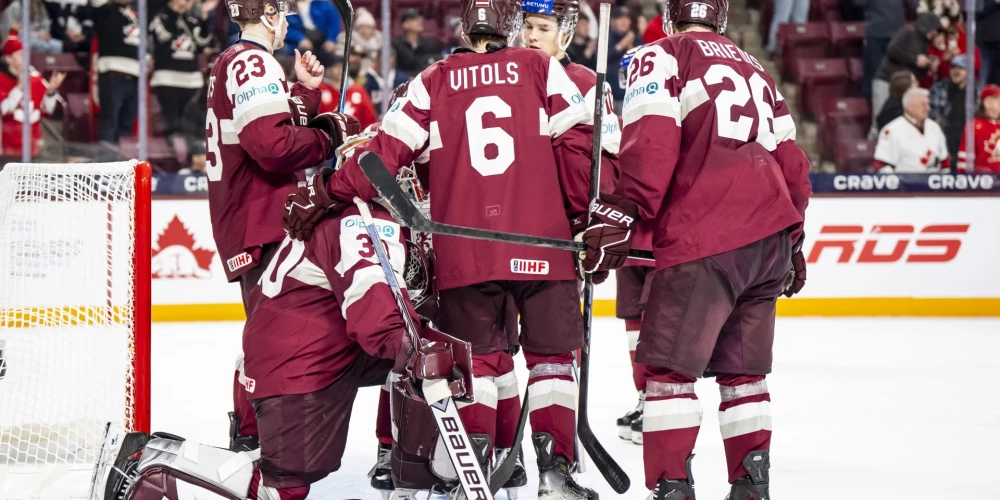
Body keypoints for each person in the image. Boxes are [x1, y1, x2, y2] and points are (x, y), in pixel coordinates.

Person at [282, 1, 602, 498]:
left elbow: (380, 159)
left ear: (463, 28)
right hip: (545, 242)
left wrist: (327, 189)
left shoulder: (434, 79)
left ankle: (470, 468)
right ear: (510, 28)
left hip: (466, 250)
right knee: (553, 360)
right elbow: (579, 144)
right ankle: (556, 476)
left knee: (480, 361)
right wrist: (584, 220)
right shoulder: (542, 68)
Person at [579, 1, 812, 498]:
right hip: (770, 238)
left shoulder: (661, 54)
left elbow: (652, 141)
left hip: (707, 233)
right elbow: (793, 163)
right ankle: (751, 485)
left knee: (668, 374)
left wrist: (624, 208)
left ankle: (671, 487)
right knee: (744, 374)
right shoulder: (757, 69)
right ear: (721, 20)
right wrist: (793, 239)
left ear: (670, 17)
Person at [205, 0, 357, 455]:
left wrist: (306, 94)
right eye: (283, 13)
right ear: (268, 15)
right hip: (261, 221)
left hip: (251, 220)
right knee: (274, 339)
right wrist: (328, 136)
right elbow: (271, 146)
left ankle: (251, 436)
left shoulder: (233, 61)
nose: (288, 21)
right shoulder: (253, 60)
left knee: (268, 334)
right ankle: (254, 438)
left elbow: (266, 125)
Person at [150, 0, 213, 138]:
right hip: (167, 79)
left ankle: (190, 155)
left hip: (191, 80)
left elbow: (202, 44)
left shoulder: (192, 19)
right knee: (172, 124)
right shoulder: (161, 16)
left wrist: (203, 20)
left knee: (189, 125)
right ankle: (175, 154)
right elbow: (163, 36)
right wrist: (174, 11)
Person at [871, 12, 942, 130]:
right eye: (933, 29)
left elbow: (917, 74)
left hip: (904, 88)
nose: (934, 33)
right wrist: (914, 59)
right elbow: (892, 50)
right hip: (886, 79)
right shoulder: (907, 32)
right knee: (879, 120)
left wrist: (928, 66)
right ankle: (872, 145)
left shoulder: (926, 46)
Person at [0, 30, 64, 159]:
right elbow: (4, 111)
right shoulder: (2, 80)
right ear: (8, 59)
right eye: (19, 54)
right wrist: (19, 86)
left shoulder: (36, 79)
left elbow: (47, 111)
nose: (24, 58)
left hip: (34, 148)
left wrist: (50, 92)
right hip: (9, 150)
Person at [91, 0, 141, 146]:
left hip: (135, 75)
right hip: (113, 74)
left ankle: (125, 166)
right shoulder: (105, 9)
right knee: (109, 123)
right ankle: (107, 166)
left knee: (127, 125)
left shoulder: (135, 14)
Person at [874, 87, 950, 172]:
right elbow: (881, 165)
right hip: (903, 183)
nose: (928, 108)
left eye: (928, 105)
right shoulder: (891, 130)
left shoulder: (934, 127)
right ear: (909, 107)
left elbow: (944, 162)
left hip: (932, 183)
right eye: (923, 105)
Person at [857, 0, 919, 101]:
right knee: (875, 75)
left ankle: (896, 108)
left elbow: (914, 5)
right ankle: (873, 109)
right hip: (876, 35)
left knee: (899, 76)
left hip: (897, 35)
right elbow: (858, 2)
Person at [930, 53, 969, 164]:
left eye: (960, 68)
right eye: (953, 67)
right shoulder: (939, 89)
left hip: (966, 140)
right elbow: (934, 121)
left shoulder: (975, 92)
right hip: (945, 136)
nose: (956, 71)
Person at [957, 84, 1000, 172]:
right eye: (997, 98)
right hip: (983, 182)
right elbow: (964, 158)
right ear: (986, 103)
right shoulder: (974, 126)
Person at [392, 9, 441, 75]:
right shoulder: (396, 44)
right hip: (404, 81)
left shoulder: (430, 43)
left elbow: (439, 62)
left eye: (420, 18)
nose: (420, 20)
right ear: (405, 24)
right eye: (414, 19)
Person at [874, 69, 917, 134]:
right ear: (904, 85)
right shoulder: (893, 110)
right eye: (914, 82)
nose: (917, 84)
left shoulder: (903, 103)